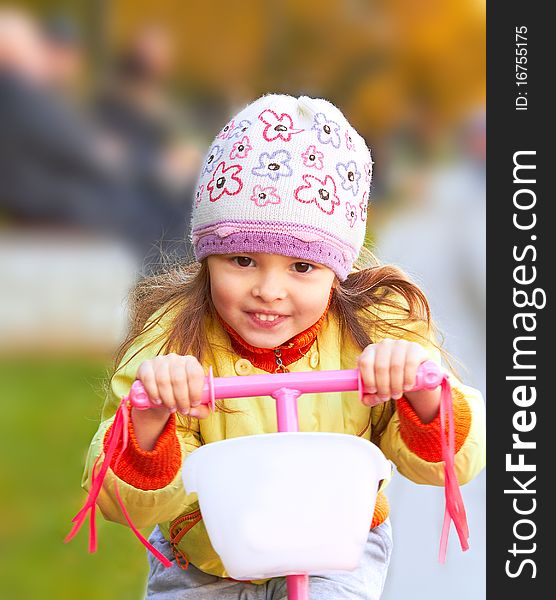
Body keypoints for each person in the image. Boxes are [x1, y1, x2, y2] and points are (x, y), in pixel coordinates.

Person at [71, 94, 486, 599]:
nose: (269, 290)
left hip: (336, 549)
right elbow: (120, 500)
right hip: (204, 558)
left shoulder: (376, 330)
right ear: (207, 257)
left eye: (302, 266)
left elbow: (453, 462)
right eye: (242, 260)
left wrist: (419, 392)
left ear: (337, 269)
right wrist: (150, 418)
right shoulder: (173, 340)